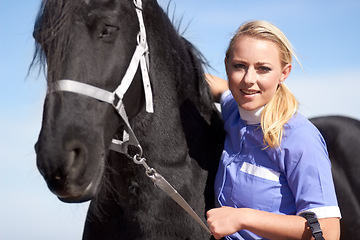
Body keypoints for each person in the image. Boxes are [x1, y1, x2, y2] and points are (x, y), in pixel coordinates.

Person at [205, 20, 341, 240]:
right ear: (226, 64)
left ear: (284, 73)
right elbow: (218, 87)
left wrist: (243, 218)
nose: (249, 80)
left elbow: (329, 232)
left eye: (263, 69)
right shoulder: (234, 107)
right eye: (239, 66)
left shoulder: (299, 138)